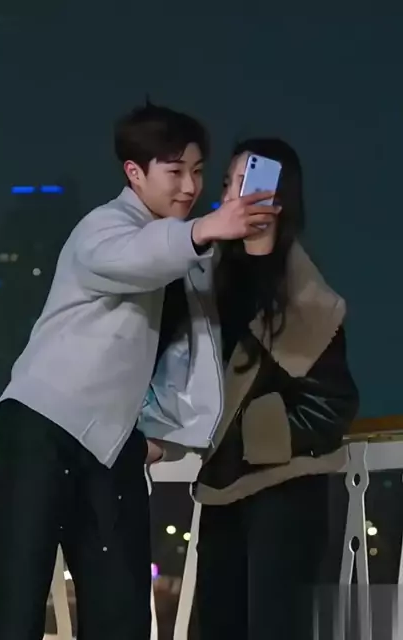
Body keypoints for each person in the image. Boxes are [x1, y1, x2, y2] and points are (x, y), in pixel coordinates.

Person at [0, 104, 281, 640]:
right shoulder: (105, 227)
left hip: (114, 448)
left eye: (198, 171)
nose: (190, 186)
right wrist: (205, 228)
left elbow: (205, 349)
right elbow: (135, 258)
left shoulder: (186, 254)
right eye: (175, 171)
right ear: (134, 173)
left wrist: (162, 437)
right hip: (39, 432)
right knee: (12, 611)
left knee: (121, 615)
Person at [193, 138, 359, 640]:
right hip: (221, 488)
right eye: (228, 183)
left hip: (287, 489)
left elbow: (334, 405)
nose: (230, 194)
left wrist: (256, 432)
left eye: (245, 183)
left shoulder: (309, 298)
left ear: (277, 198)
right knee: (218, 625)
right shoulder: (207, 278)